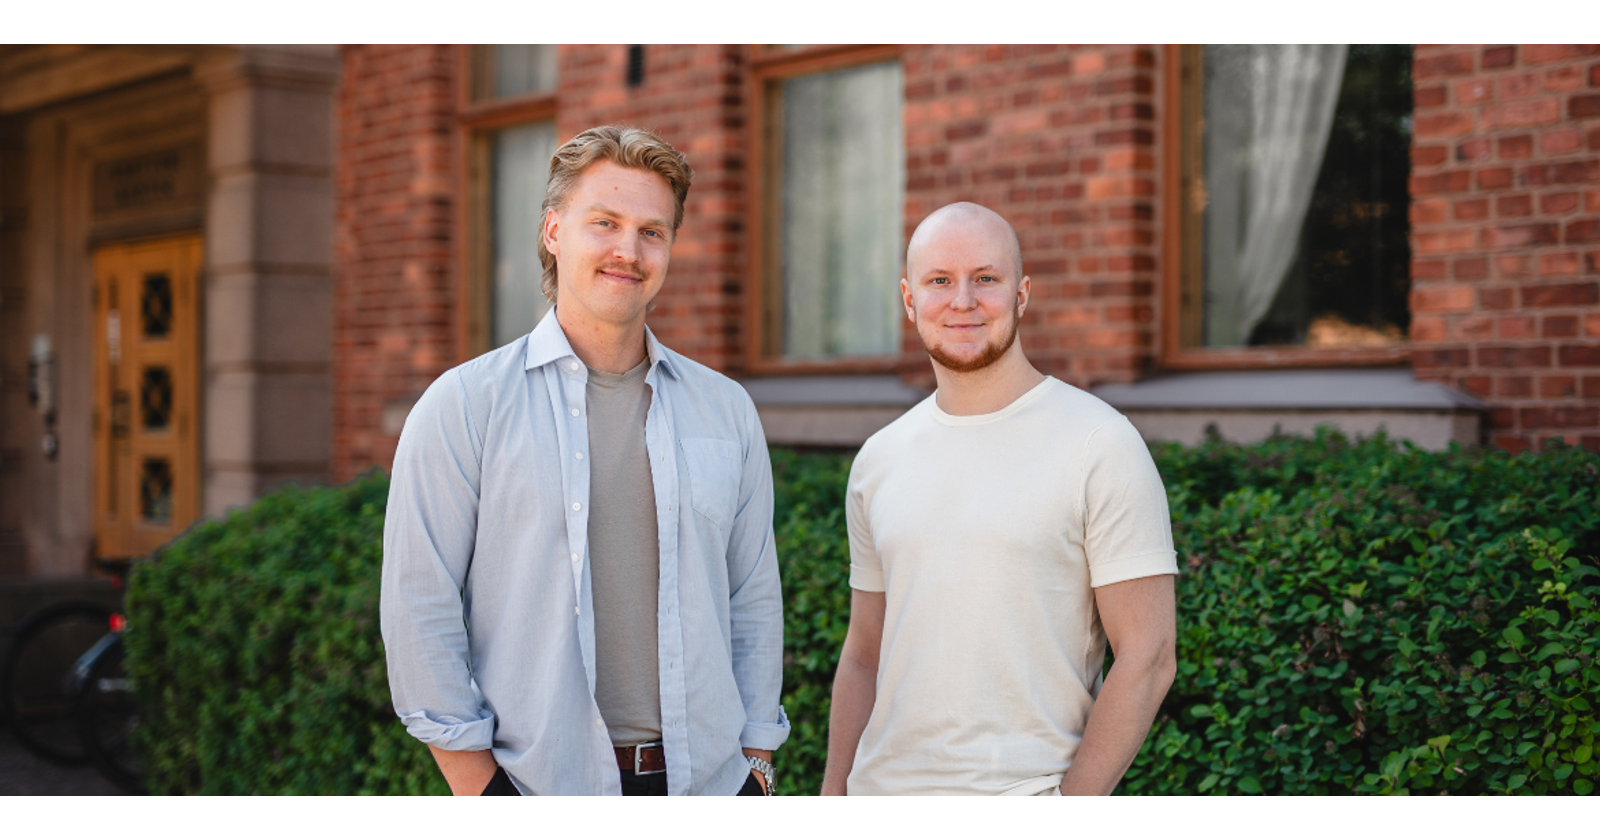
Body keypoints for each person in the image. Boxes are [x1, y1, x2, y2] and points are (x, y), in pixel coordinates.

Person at [381, 125, 787, 796]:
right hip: (538, 788)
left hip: (709, 789)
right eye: (604, 223)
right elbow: (418, 604)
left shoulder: (727, 409)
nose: (628, 250)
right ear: (553, 232)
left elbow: (753, 599)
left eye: (652, 232)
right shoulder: (464, 406)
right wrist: (480, 789)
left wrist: (757, 767)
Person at [820, 202, 1178, 796]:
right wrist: (832, 801)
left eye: (986, 278)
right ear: (910, 301)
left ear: (1022, 294)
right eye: (940, 281)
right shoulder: (878, 460)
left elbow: (1149, 654)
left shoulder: (1099, 442)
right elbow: (864, 651)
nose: (963, 300)